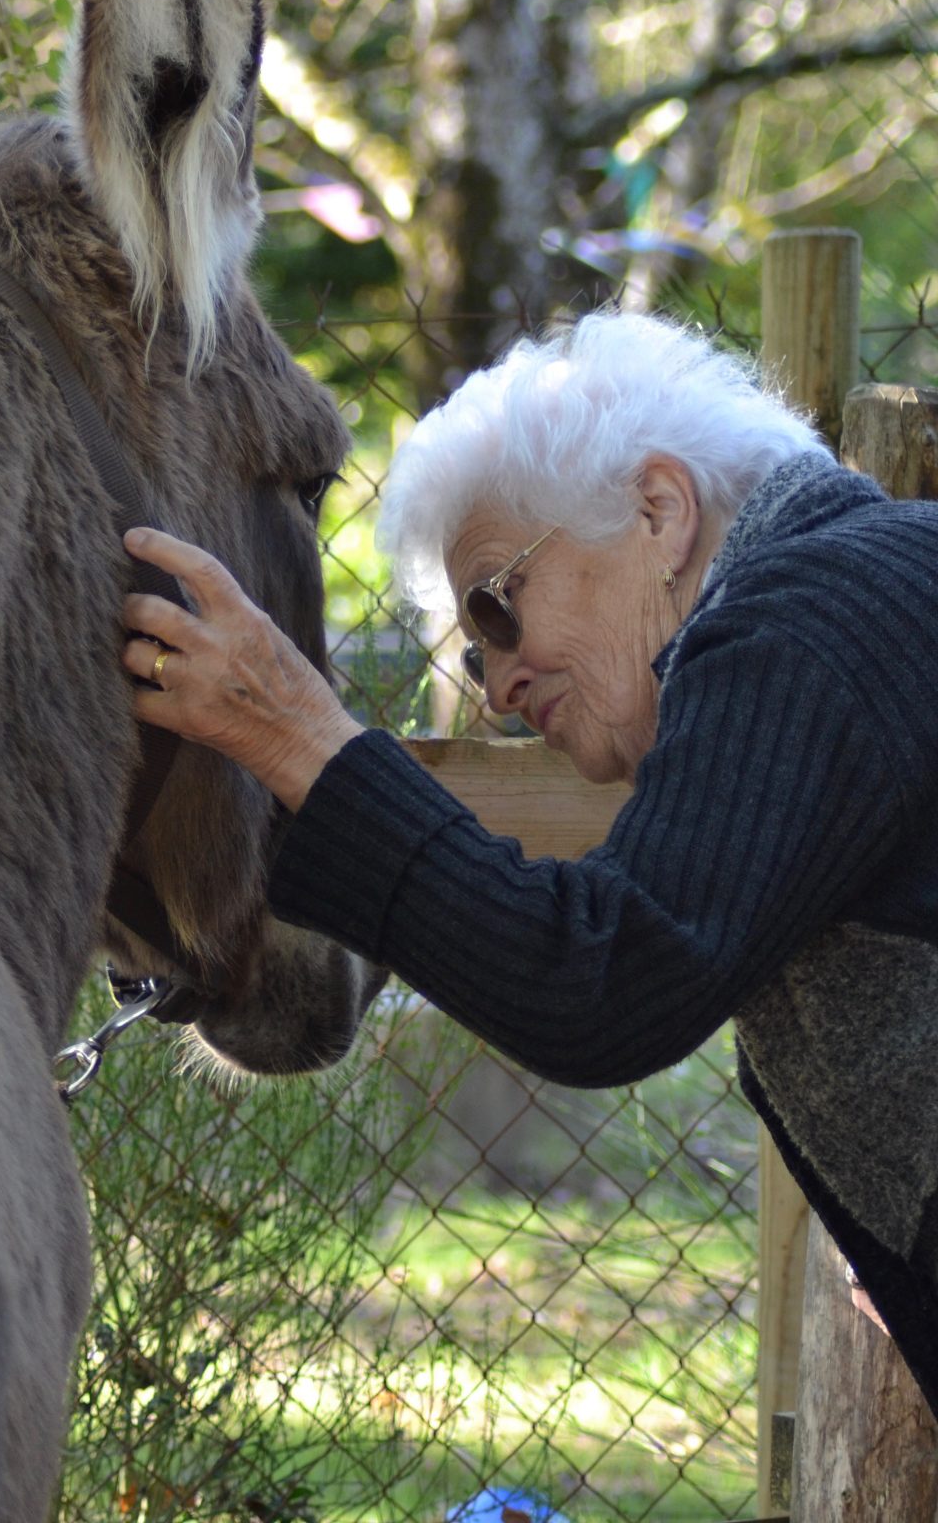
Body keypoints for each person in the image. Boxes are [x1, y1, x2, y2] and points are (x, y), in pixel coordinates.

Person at [120, 310, 938, 1409]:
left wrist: (309, 744)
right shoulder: (862, 597)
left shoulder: (808, 616)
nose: (498, 686)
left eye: (500, 607)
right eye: (474, 645)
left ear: (661, 510)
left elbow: (603, 981)